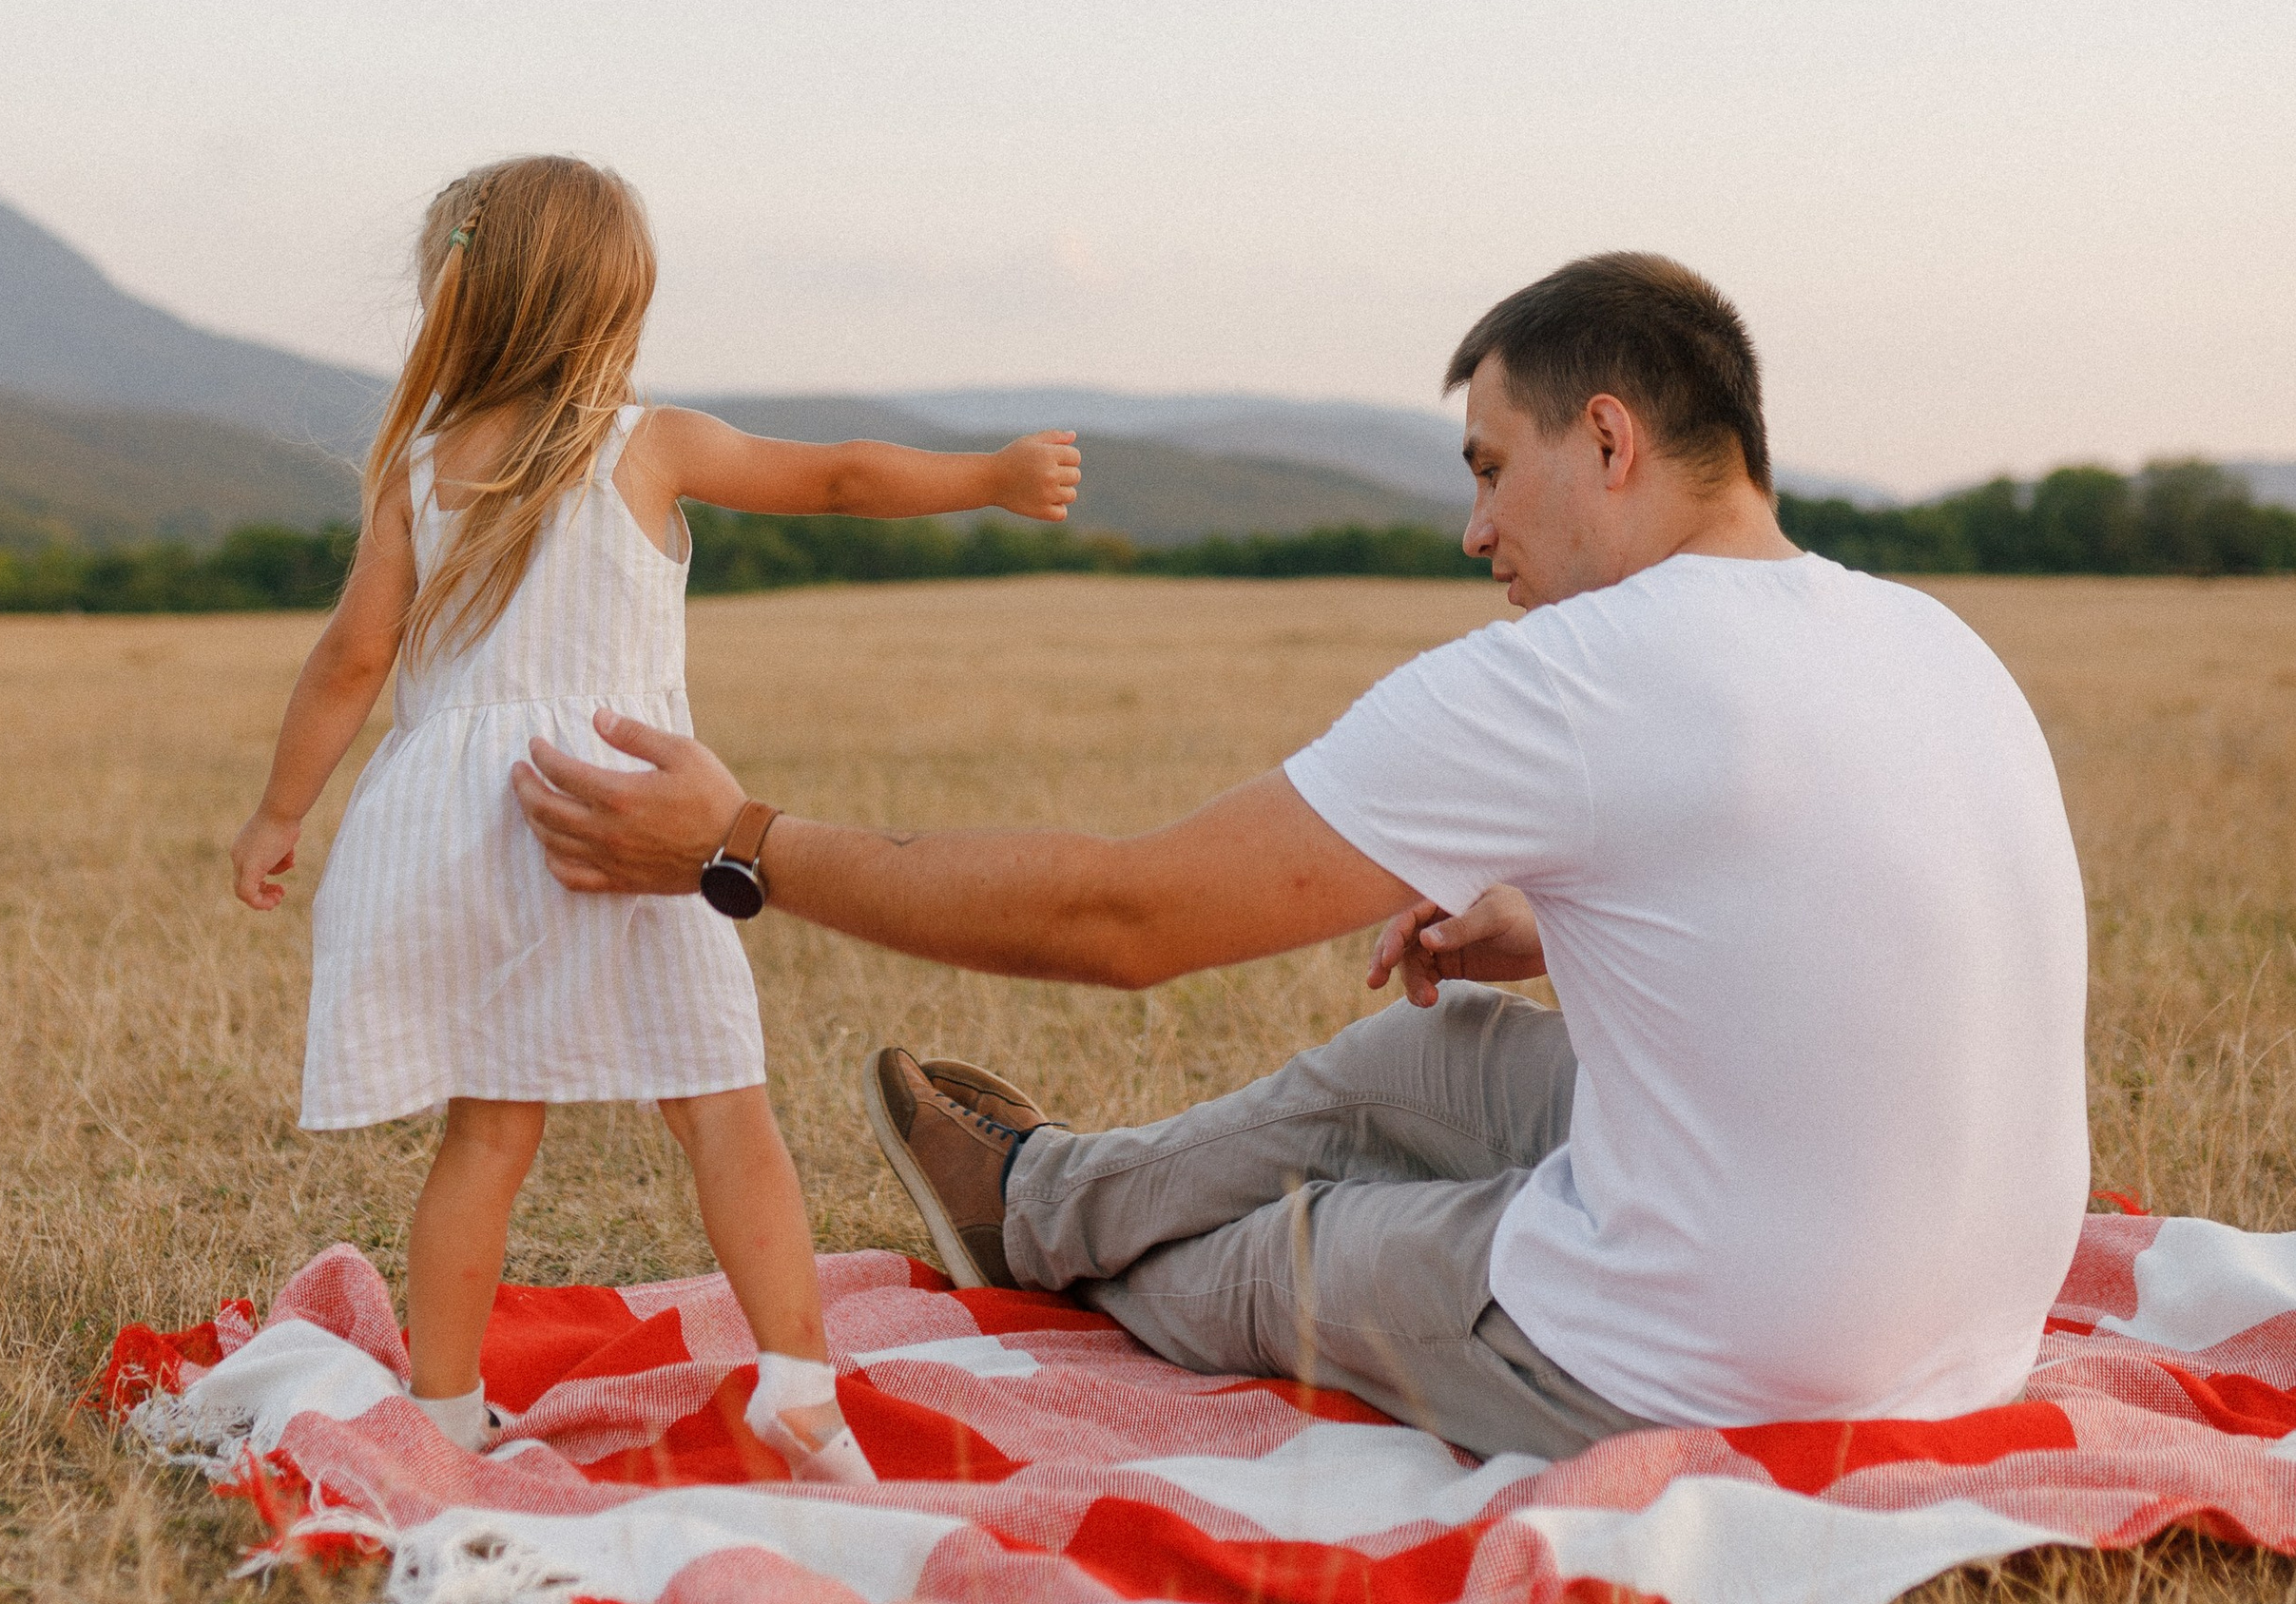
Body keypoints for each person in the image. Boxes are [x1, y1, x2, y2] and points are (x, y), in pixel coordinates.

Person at [510, 252, 2091, 1463]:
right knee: (1428, 1051)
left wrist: (742, 841)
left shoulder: (1586, 667)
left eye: (1487, 466)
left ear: (1607, 438)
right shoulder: (1920, 629)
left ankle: (1079, 1258)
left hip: (1733, 1353)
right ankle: (1039, 1196)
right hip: (1970, 1320)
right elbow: (1841, 894)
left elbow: (1125, 916)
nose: (1476, 532)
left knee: (1285, 1262)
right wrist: (1540, 921)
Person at [230, 151, 1081, 1474]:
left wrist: (282, 810)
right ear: (614, 303)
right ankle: (799, 1386)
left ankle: (447, 1405)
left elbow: (351, 654)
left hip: (473, 830)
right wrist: (993, 475)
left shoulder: (421, 466)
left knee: (488, 1132)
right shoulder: (650, 443)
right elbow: (846, 477)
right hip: (631, 815)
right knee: (724, 1113)